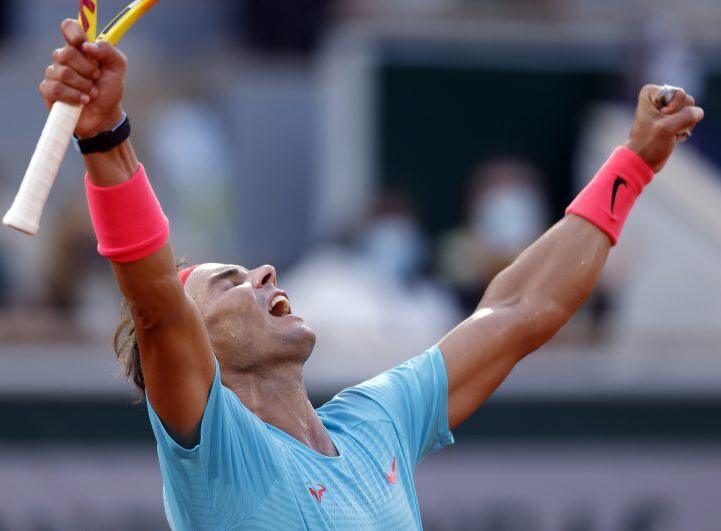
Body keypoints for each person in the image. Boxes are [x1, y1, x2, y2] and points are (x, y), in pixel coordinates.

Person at [38, 20, 704, 530]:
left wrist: (635, 163)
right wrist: (105, 137)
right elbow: (154, 300)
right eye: (229, 281)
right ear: (195, 350)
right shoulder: (217, 453)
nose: (264, 272)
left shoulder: (373, 421)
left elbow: (521, 309)